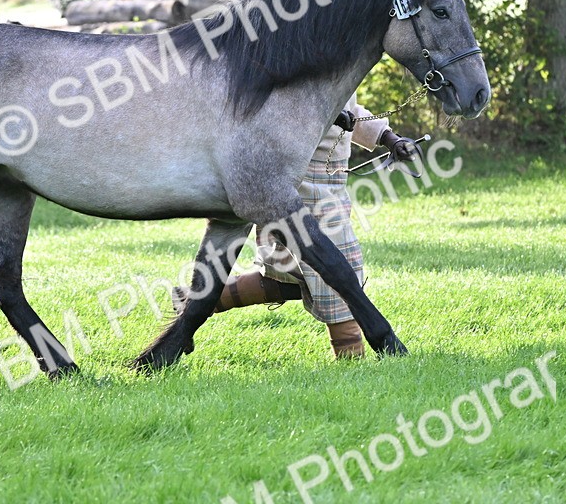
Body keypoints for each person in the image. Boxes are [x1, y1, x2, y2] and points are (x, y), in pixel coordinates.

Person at [174, 101, 418, 358]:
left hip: (331, 184)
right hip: (298, 185)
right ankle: (352, 359)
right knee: (340, 271)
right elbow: (284, 105)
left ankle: (192, 300)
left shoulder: (339, 73)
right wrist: (333, 115)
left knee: (292, 276)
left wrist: (389, 138)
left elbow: (351, 107)